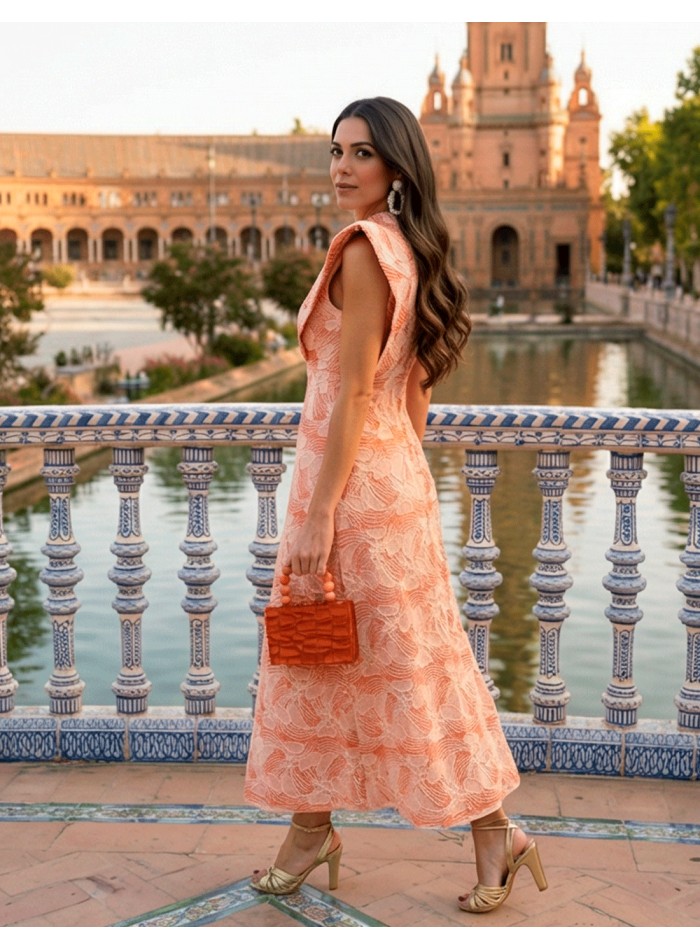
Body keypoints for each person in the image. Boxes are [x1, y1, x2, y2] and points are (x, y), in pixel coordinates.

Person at [244, 96, 548, 915]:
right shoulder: (409, 248)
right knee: (395, 664)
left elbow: (348, 396)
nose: (342, 168)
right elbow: (409, 392)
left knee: (341, 661)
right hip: (390, 480)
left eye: (361, 154)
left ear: (397, 167)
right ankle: (445, 833)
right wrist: (399, 485)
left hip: (346, 489)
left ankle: (475, 831)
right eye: (336, 152)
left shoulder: (360, 250)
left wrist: (319, 514)